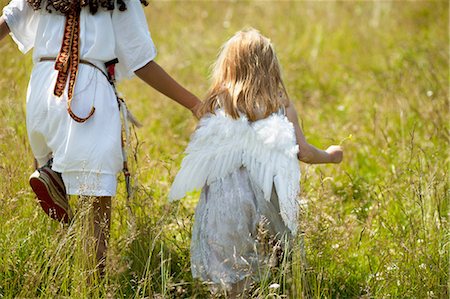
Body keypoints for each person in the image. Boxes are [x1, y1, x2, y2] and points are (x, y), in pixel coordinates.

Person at [0, 0, 201, 274]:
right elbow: (141, 61)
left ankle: (60, 262)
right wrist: (194, 104)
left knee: (59, 185)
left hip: (41, 91)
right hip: (85, 96)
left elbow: (8, 21)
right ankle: (93, 283)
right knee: (95, 206)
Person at [169, 28, 343, 297]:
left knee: (232, 275)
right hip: (266, 199)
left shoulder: (217, 102)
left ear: (227, 66)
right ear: (270, 65)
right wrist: (331, 156)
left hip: (223, 203)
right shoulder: (280, 103)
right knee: (281, 262)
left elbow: (204, 146)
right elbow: (304, 152)